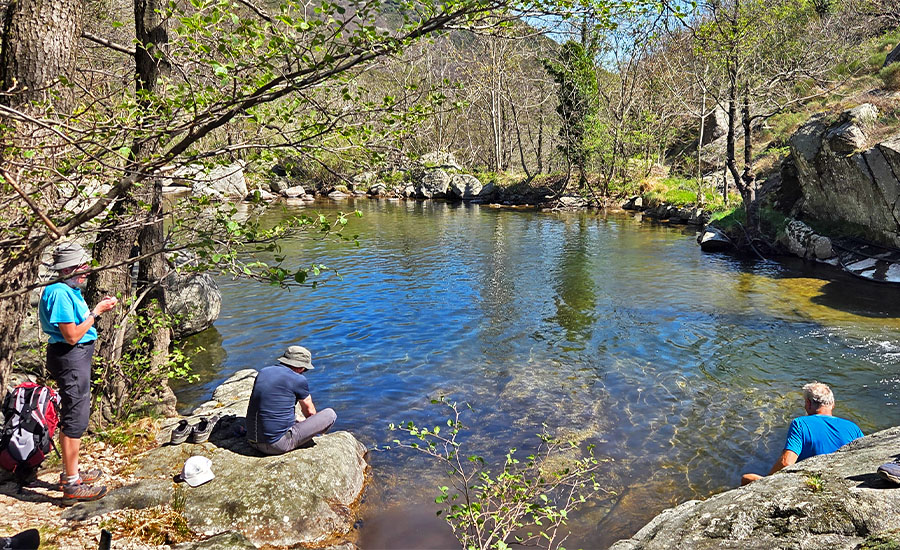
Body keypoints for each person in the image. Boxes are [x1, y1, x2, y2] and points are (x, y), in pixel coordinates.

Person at [38, 241, 119, 501]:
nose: (85, 271)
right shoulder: (60, 292)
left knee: (76, 414)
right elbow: (71, 335)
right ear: (65, 270)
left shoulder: (67, 289)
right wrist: (96, 312)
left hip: (74, 358)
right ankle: (71, 484)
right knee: (75, 417)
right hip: (70, 357)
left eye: (85, 266)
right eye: (80, 267)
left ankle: (70, 473)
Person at [741, 382, 863, 486]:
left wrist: (769, 480)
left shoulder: (800, 423)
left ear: (809, 404)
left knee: (747, 478)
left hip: (811, 483)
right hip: (844, 482)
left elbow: (786, 463)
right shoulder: (853, 427)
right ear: (832, 404)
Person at [245, 345, 337, 455]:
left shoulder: (263, 372)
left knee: (294, 417)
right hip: (277, 445)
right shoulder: (298, 379)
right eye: (305, 369)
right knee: (330, 414)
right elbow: (310, 412)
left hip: (251, 439)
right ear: (300, 367)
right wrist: (314, 427)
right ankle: (316, 436)